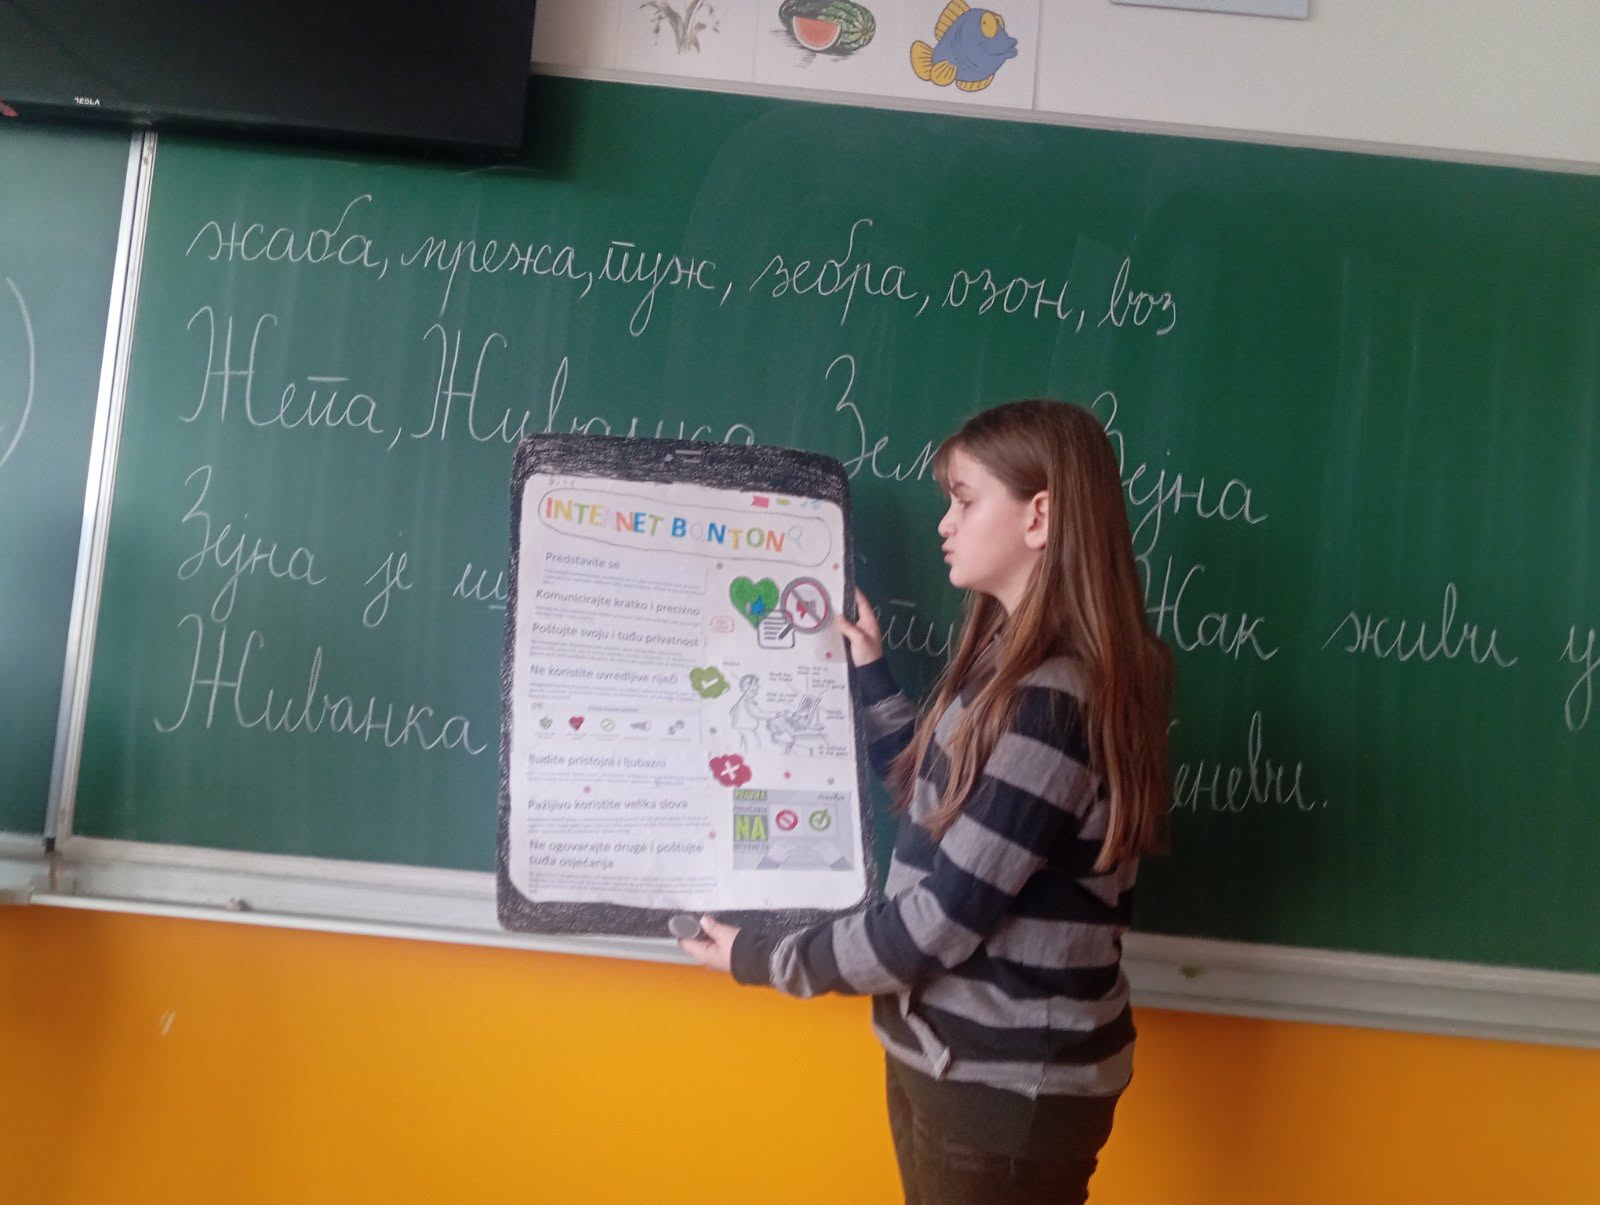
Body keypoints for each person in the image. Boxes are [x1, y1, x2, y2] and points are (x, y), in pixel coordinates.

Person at [680, 400, 1174, 1205]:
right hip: (950, 1058)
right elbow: (937, 805)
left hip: (1001, 1089)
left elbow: (944, 916)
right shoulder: (1011, 671)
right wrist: (873, 674)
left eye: (964, 500)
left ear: (1040, 516)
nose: (945, 523)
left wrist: (764, 956)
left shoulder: (1055, 698)